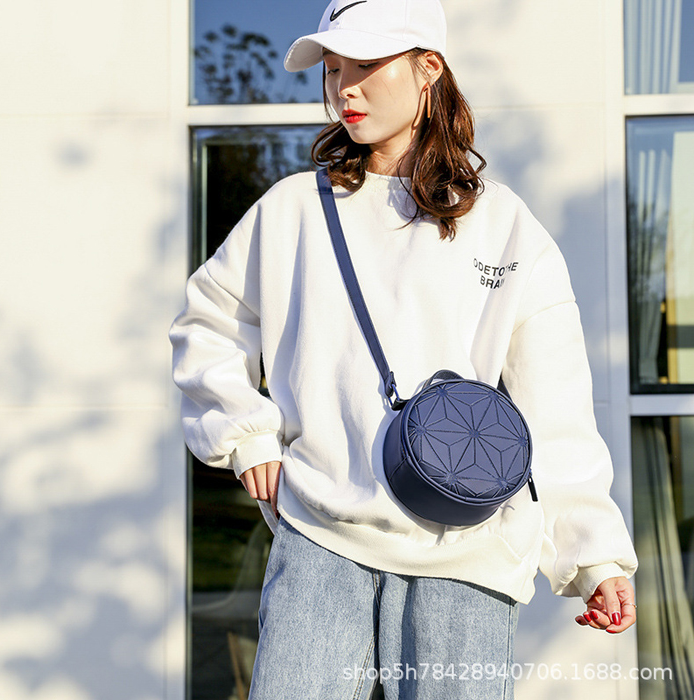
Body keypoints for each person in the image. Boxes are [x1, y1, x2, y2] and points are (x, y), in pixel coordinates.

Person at [170, 1, 638, 698]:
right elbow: (207, 323)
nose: (344, 88)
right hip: (321, 542)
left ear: (429, 69)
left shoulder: (505, 226)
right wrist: (246, 435)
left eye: (365, 64)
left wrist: (593, 556)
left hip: (470, 557)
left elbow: (555, 404)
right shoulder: (293, 210)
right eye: (333, 68)